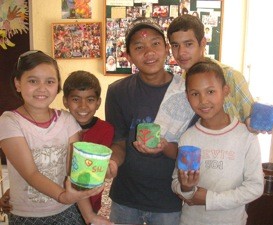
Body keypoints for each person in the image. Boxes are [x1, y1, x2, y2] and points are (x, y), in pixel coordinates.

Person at [0, 50, 109, 225]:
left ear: (57, 86)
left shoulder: (67, 120)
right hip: (28, 216)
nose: (42, 88)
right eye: (33, 81)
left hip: (67, 211)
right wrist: (63, 196)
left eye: (49, 81)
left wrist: (90, 216)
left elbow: (73, 171)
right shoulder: (9, 121)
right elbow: (30, 173)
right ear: (18, 83)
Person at [105, 18, 194, 225]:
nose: (149, 52)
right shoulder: (117, 92)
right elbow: (119, 142)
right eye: (139, 47)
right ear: (128, 55)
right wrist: (112, 162)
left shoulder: (186, 92)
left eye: (155, 43)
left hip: (168, 199)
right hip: (126, 197)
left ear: (165, 48)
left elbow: (193, 146)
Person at [171, 60, 264, 225]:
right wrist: (187, 189)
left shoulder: (245, 136)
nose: (203, 100)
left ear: (225, 91)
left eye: (211, 91)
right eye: (195, 94)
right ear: (187, 96)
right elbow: (177, 182)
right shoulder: (188, 137)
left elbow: (255, 187)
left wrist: (210, 199)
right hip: (191, 221)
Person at [167, 14, 259, 132]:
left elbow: (253, 124)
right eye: (175, 45)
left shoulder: (231, 76)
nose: (181, 52)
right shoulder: (181, 83)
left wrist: (255, 123)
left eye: (188, 44)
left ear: (203, 43)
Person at [63, 70, 115, 217]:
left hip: (91, 202)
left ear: (98, 102)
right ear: (65, 101)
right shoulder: (59, 126)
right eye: (75, 99)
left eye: (90, 100)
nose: (83, 106)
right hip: (60, 201)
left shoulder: (106, 130)